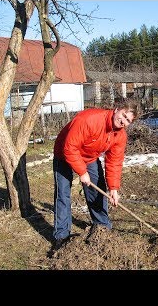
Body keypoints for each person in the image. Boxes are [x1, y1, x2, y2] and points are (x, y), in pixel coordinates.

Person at [51, 99, 140, 249]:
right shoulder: (89, 119)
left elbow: (114, 162)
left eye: (128, 121)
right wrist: (82, 172)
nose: (123, 121)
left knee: (97, 189)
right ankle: (61, 236)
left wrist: (113, 188)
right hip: (64, 153)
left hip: (89, 157)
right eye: (124, 115)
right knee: (63, 194)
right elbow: (70, 147)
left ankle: (101, 227)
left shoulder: (120, 136)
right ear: (117, 109)